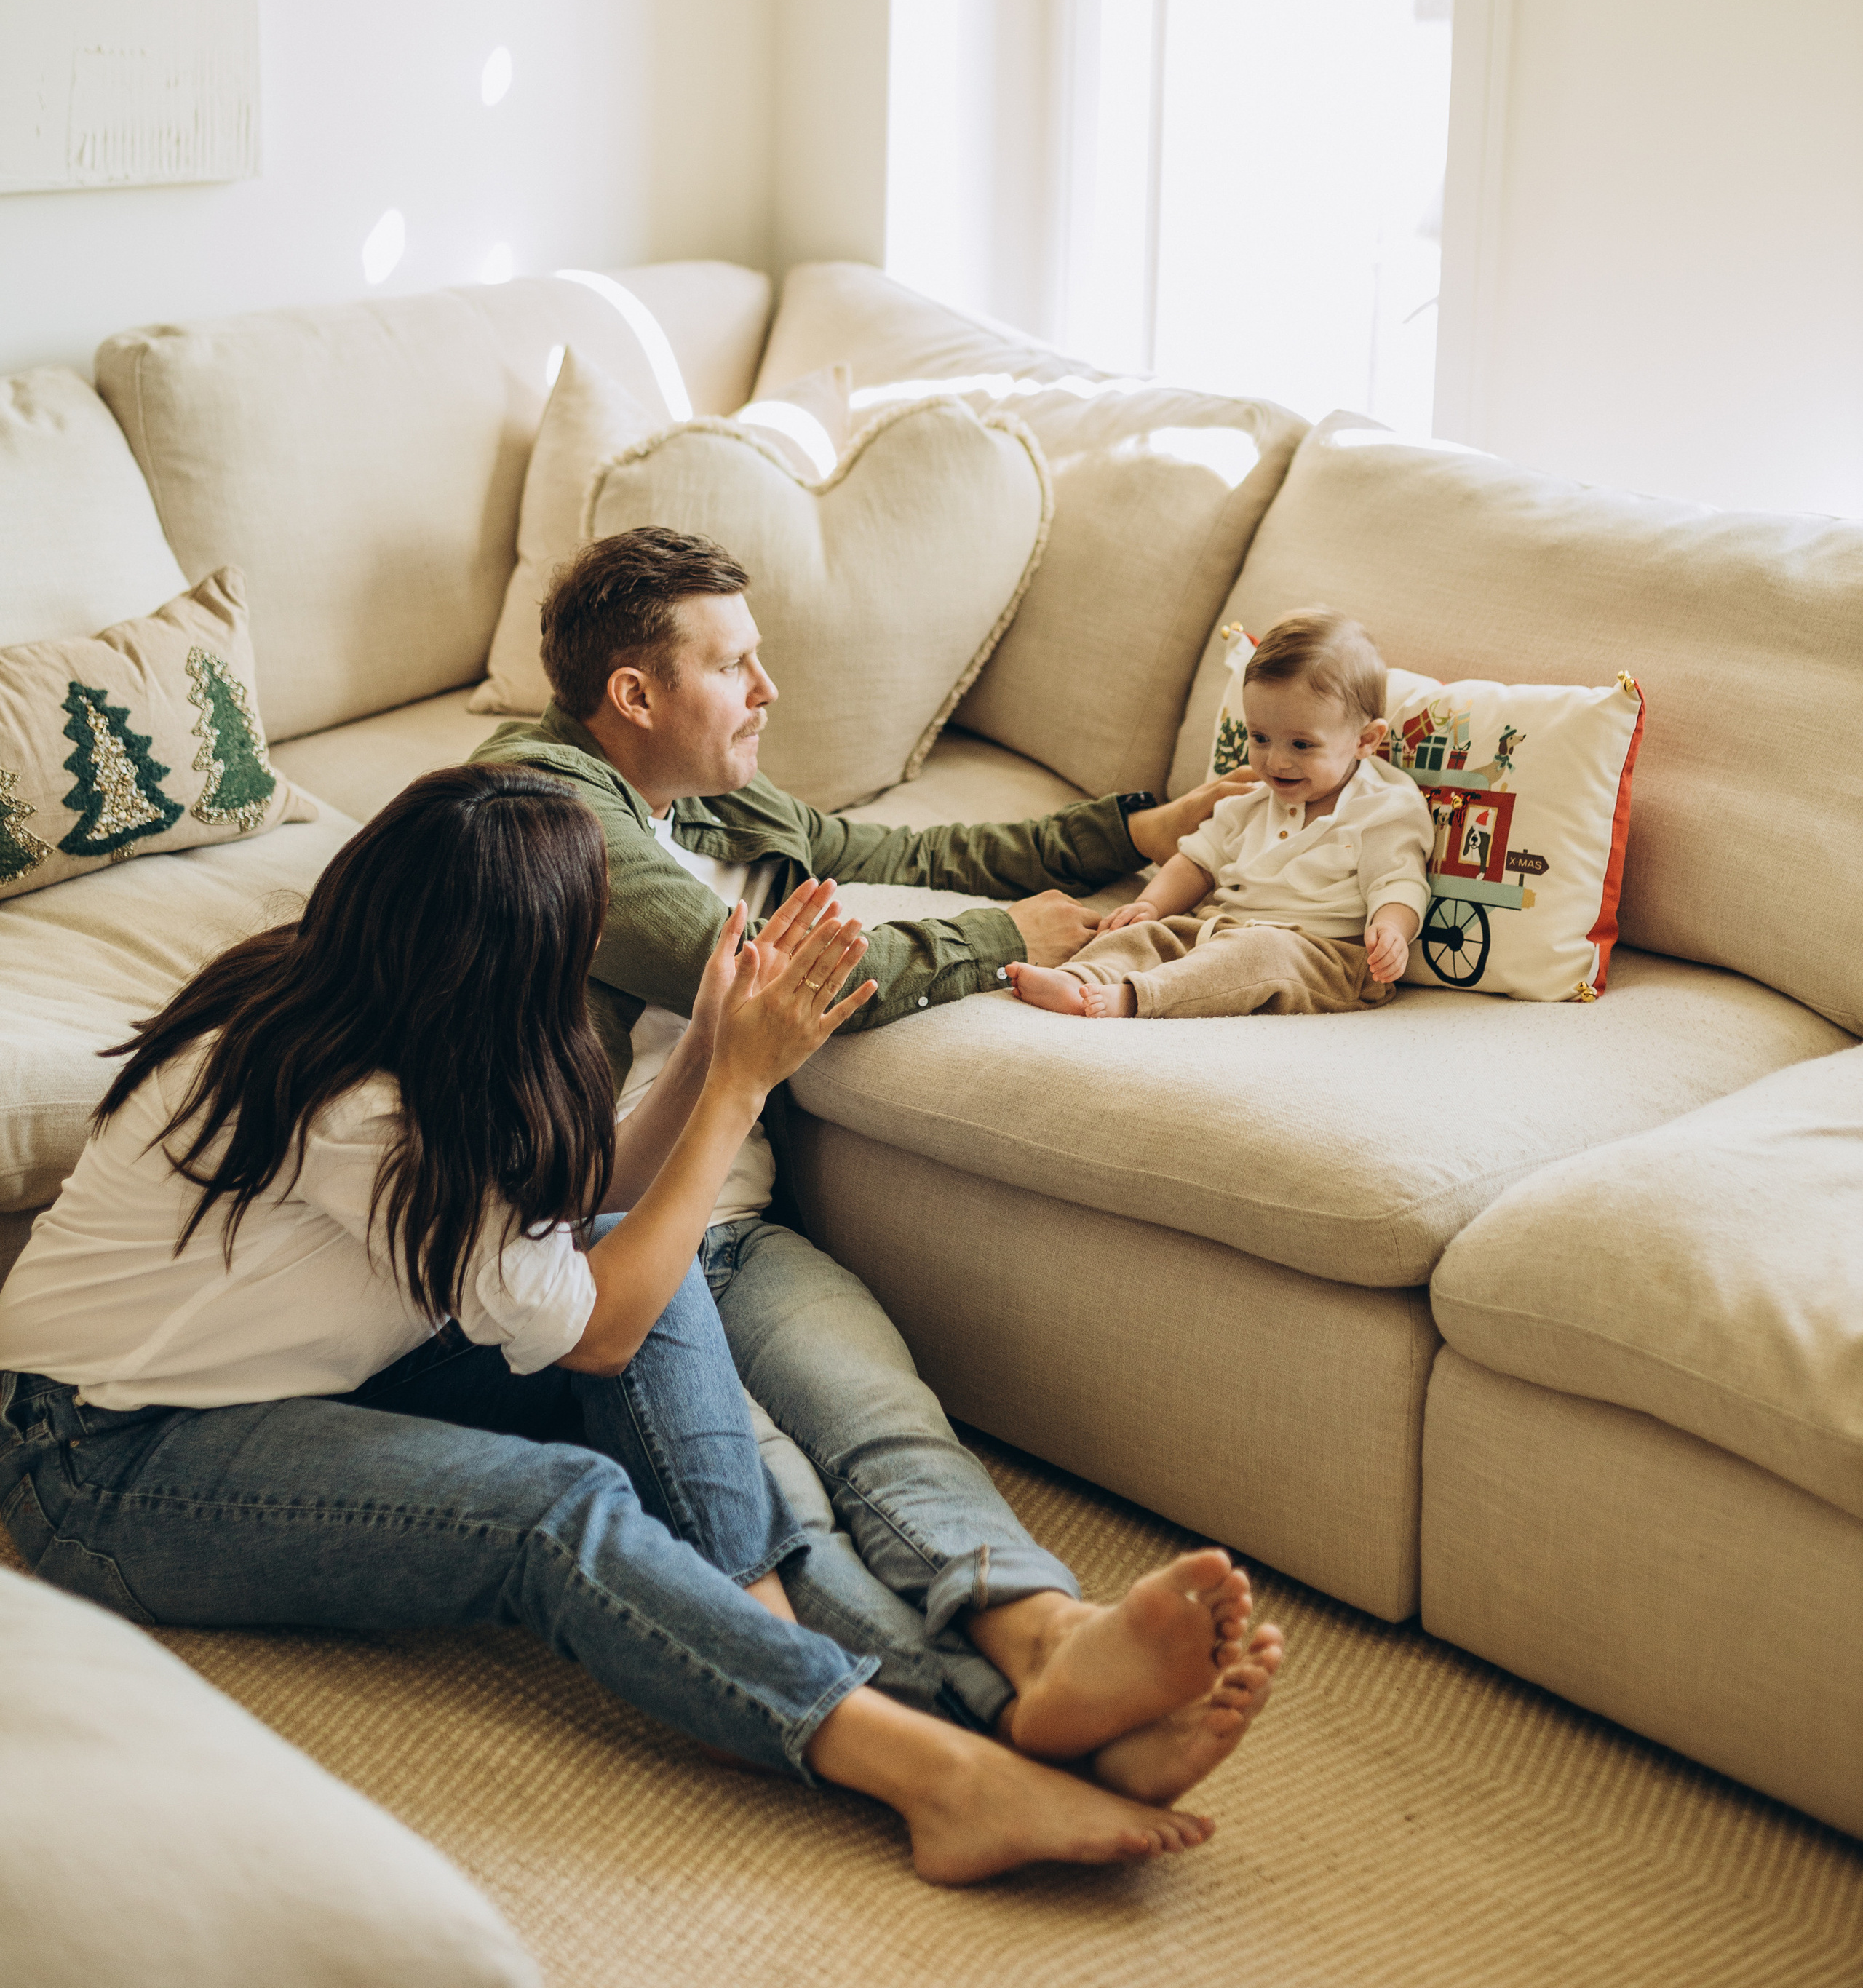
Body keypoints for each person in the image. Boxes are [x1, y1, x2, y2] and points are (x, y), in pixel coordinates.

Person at [0, 768, 1259, 1885]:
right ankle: (939, 1765)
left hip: (324, 1380)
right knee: (555, 1510)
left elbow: (582, 1212)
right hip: (103, 1454)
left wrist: (708, 1047)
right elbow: (594, 1336)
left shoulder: (392, 1016)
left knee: (640, 1285)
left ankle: (917, 1681)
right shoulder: (362, 1104)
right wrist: (743, 1091)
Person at [470, 531, 1280, 1784]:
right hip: (605, 1241)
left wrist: (1137, 826)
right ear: (633, 695)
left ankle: (1049, 1636)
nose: (768, 689)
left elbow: (903, 858)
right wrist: (1002, 938)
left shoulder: (703, 796)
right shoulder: (547, 813)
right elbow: (775, 980)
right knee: (772, 1493)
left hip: (738, 1225)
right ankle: (997, 1716)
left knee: (887, 1426)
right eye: (733, 666)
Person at [1010, 609, 1432, 1021]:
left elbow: (1397, 881)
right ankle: (1078, 977)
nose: (1275, 761)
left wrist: (1391, 930)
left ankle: (1136, 998)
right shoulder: (1250, 797)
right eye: (1260, 738)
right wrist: (1150, 905)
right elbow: (1198, 861)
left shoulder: (1383, 807)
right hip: (1218, 929)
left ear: (1365, 740)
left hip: (1326, 958)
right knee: (1152, 935)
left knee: (1258, 952)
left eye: (1301, 745)